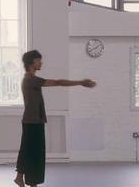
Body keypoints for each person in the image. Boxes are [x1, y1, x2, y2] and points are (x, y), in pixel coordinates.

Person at [15, 50, 96, 187]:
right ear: (31, 63)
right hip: (32, 121)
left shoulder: (31, 79)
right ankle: (24, 179)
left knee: (33, 151)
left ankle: (25, 179)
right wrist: (80, 82)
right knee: (31, 151)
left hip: (36, 120)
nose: (41, 62)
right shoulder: (30, 79)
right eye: (38, 60)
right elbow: (58, 82)